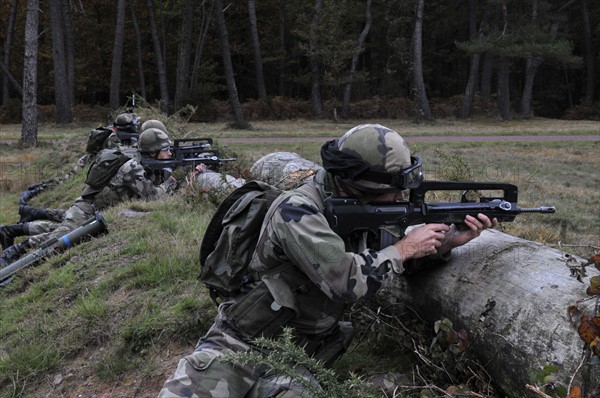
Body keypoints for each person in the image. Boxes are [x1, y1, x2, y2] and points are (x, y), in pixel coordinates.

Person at [158, 124, 498, 397]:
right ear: (357, 186)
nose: (400, 198)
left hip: (298, 358)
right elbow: (346, 281)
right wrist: (405, 247)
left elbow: (395, 259)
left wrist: (447, 242)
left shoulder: (363, 208)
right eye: (394, 190)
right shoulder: (297, 210)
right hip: (238, 344)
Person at [0, 128, 181, 268]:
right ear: (152, 152)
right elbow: (152, 197)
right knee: (56, 243)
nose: (170, 153)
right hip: (85, 211)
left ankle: (14, 231)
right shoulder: (132, 168)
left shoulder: (140, 161)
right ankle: (13, 253)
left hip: (94, 211)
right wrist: (173, 180)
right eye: (166, 150)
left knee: (57, 231)